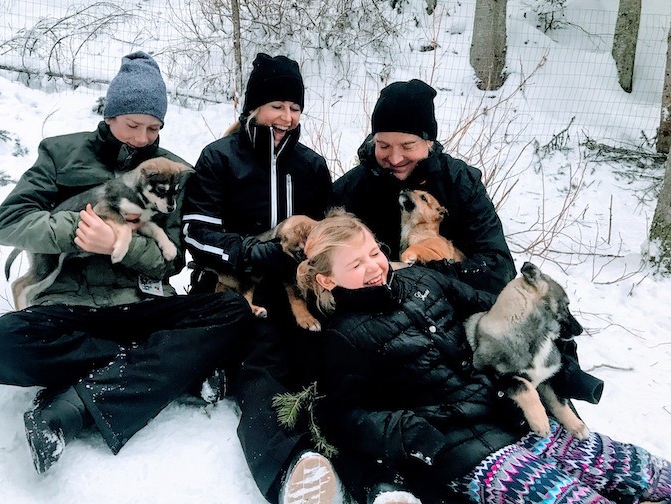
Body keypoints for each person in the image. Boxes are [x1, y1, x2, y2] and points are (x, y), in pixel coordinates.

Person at [0, 51, 251, 474]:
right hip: (70, 308)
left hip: (140, 305)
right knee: (1, 343)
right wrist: (83, 230)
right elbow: (9, 224)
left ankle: (70, 407)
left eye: (154, 127)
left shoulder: (175, 170)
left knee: (232, 310)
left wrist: (121, 246)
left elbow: (174, 260)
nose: (143, 137)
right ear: (110, 115)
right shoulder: (59, 153)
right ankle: (166, 368)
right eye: (133, 125)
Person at [297, 212, 670, 504]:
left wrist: (560, 367)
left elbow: (501, 316)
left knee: (637, 469)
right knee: (567, 497)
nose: (375, 266)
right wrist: (405, 430)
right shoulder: (344, 336)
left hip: (514, 412)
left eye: (374, 253)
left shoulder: (424, 282)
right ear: (328, 280)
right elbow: (345, 415)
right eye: (356, 265)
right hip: (461, 450)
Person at [181, 53, 336, 503]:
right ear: (253, 107)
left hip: (298, 286)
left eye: (295, 108)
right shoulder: (219, 158)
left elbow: (329, 232)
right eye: (277, 106)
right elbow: (196, 232)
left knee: (322, 353)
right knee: (264, 358)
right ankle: (290, 469)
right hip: (236, 284)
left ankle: (356, 462)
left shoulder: (311, 166)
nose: (287, 117)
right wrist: (251, 252)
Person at [332, 79, 516, 295]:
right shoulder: (353, 187)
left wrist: (419, 271)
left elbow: (498, 269)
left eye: (407, 146)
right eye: (384, 146)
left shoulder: (460, 182)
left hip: (450, 301)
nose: (395, 157)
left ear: (428, 143)